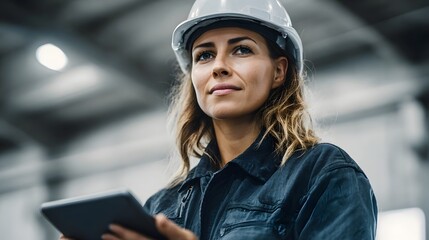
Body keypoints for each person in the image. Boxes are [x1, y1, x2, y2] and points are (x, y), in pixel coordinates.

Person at [61, 0, 377, 239]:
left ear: (279, 71)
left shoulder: (322, 175)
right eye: (204, 55)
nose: (219, 67)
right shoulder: (162, 207)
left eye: (241, 50)